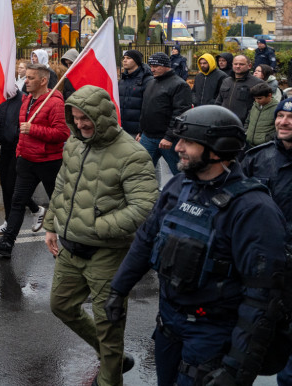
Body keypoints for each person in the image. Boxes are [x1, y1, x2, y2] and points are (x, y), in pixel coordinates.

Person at [106, 106, 287, 386]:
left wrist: (237, 368)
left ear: (217, 149)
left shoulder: (254, 210)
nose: (178, 147)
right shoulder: (179, 186)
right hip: (168, 325)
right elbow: (147, 238)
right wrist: (119, 288)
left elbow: (262, 298)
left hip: (212, 335)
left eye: (188, 142)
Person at [43, 86, 158, 386]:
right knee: (61, 305)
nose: (80, 124)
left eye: (86, 119)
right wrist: (50, 224)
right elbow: (61, 186)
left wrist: (98, 228)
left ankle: (109, 376)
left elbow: (146, 207)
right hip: (69, 249)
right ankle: (113, 357)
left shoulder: (132, 155)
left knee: (109, 325)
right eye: (76, 118)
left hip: (107, 254)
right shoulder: (74, 143)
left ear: (104, 115)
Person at [0, 62, 69, 257]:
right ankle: (7, 243)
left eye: (30, 78)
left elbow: (62, 133)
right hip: (27, 160)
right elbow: (22, 133)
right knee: (17, 201)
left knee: (59, 205)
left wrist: (34, 129)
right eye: (26, 77)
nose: (25, 81)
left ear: (43, 80)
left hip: (48, 162)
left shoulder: (55, 102)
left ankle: (72, 244)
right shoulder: (27, 100)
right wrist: (20, 151)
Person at [242, 97, 292, 384]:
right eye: (280, 116)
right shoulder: (257, 157)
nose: (283, 122)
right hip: (259, 262)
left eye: (290, 118)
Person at [0, 68, 41, 235]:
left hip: (19, 149)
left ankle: (15, 219)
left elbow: (22, 126)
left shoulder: (24, 100)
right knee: (6, 185)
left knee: (14, 187)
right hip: (6, 147)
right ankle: (31, 212)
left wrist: (18, 137)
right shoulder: (4, 101)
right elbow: (2, 124)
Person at [137, 52, 192, 177]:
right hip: (147, 137)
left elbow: (181, 114)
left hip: (168, 140)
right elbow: (145, 108)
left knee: (181, 173)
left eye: (156, 66)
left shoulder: (179, 85)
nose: (152, 69)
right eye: (151, 66)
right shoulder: (151, 82)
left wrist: (169, 137)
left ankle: (186, 195)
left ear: (166, 66)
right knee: (141, 172)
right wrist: (141, 131)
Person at [214, 54, 264, 124]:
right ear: (232, 65)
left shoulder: (258, 83)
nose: (238, 66)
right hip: (223, 122)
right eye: (235, 64)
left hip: (243, 125)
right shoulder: (226, 81)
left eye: (241, 64)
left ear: (249, 66)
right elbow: (219, 101)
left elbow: (261, 106)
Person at [118, 50, 151, 136]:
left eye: (128, 58)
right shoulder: (122, 80)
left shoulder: (147, 80)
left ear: (136, 61)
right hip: (121, 129)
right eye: (124, 58)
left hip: (137, 132)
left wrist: (142, 130)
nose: (124, 60)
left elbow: (148, 108)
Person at [245, 82, 278, 147]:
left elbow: (279, 129)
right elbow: (248, 120)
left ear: (269, 95)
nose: (257, 101)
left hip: (264, 146)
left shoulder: (277, 109)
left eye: (259, 98)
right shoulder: (255, 105)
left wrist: (267, 139)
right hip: (249, 144)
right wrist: (246, 132)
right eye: (255, 98)